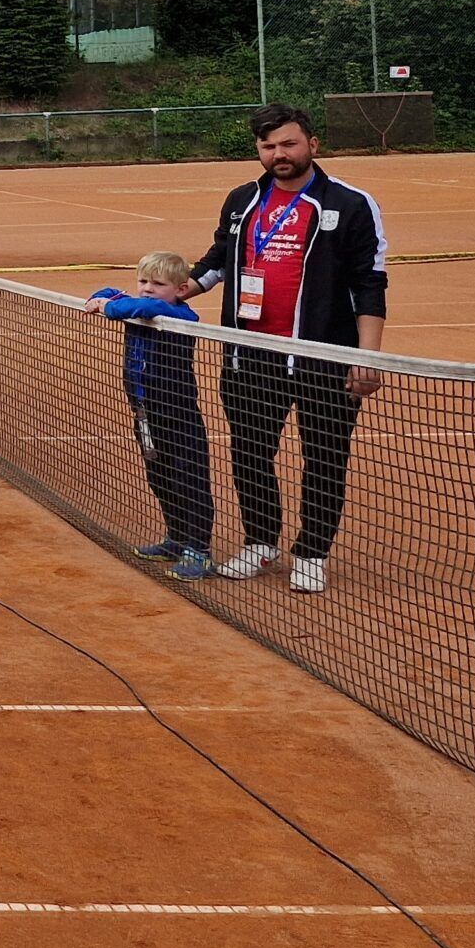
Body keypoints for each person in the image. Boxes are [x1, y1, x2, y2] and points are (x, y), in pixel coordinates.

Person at [191, 103, 389, 594]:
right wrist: (177, 291)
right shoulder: (242, 201)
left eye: (288, 144)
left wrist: (366, 357)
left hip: (325, 358)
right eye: (268, 146)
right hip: (250, 354)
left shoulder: (350, 204)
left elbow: (370, 284)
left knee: (324, 457)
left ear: (312, 145)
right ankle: (261, 541)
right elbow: (219, 260)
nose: (278, 154)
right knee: (250, 453)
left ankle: (312, 552)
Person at [83, 252, 213, 582]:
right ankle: (177, 538)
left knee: (189, 480)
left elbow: (133, 306)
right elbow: (111, 291)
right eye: (143, 281)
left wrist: (108, 306)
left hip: (177, 415)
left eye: (158, 284)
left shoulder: (176, 313)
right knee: (160, 477)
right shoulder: (143, 307)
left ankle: (199, 548)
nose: (147, 289)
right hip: (144, 414)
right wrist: (102, 298)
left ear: (182, 289)